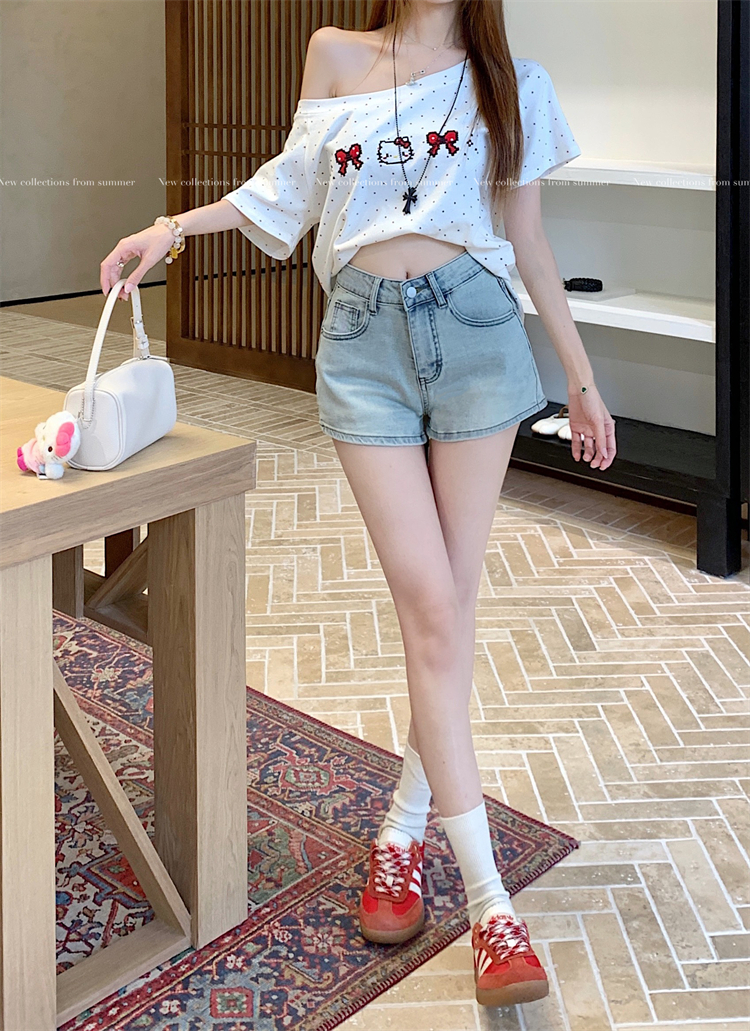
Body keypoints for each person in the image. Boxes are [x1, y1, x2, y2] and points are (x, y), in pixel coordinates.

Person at [100, 0, 616, 1009]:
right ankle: (490, 903)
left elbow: (529, 240)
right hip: (363, 345)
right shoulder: (334, 53)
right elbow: (287, 189)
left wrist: (583, 378)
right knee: (432, 608)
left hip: (477, 335)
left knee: (444, 614)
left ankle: (405, 836)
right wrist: (171, 229)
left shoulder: (514, 82)